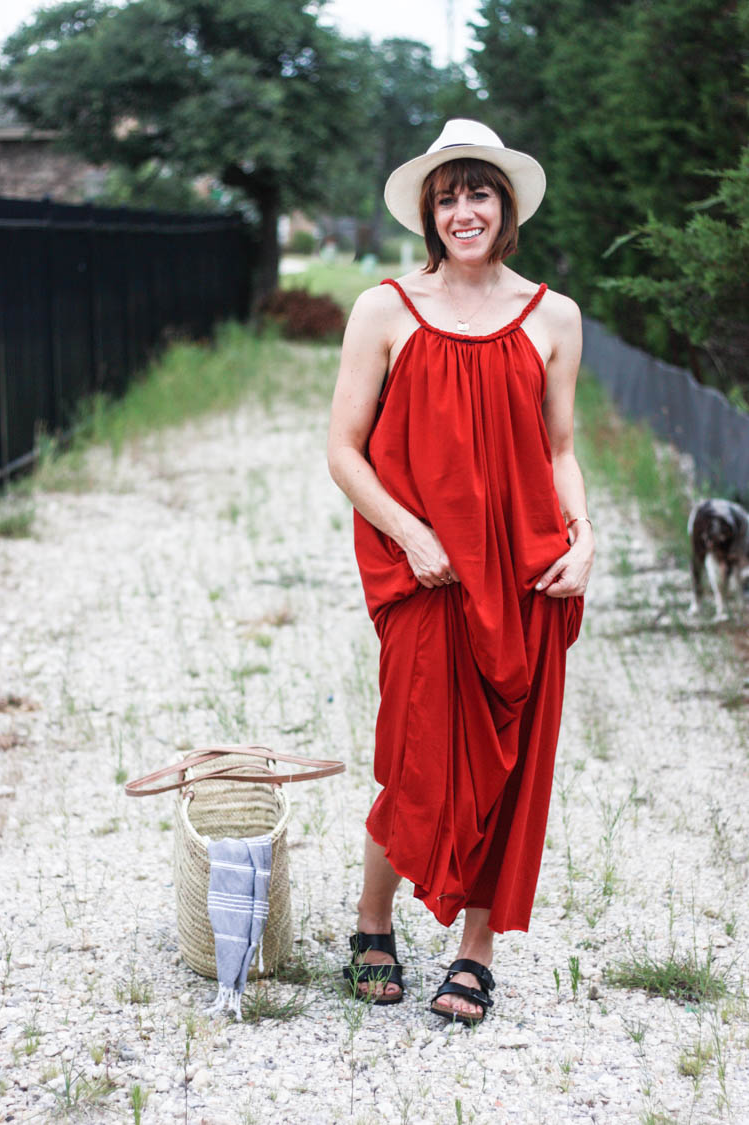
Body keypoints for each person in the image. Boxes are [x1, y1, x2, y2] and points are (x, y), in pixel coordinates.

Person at [327, 119, 594, 1025]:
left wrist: (584, 536)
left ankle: (475, 952)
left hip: (526, 573)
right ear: (429, 214)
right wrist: (411, 534)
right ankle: (373, 922)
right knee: (417, 759)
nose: (464, 210)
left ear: (506, 206)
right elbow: (343, 451)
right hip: (427, 576)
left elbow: (560, 449)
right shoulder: (385, 308)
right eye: (448, 197)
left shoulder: (554, 315)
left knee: (511, 770)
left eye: (480, 193)